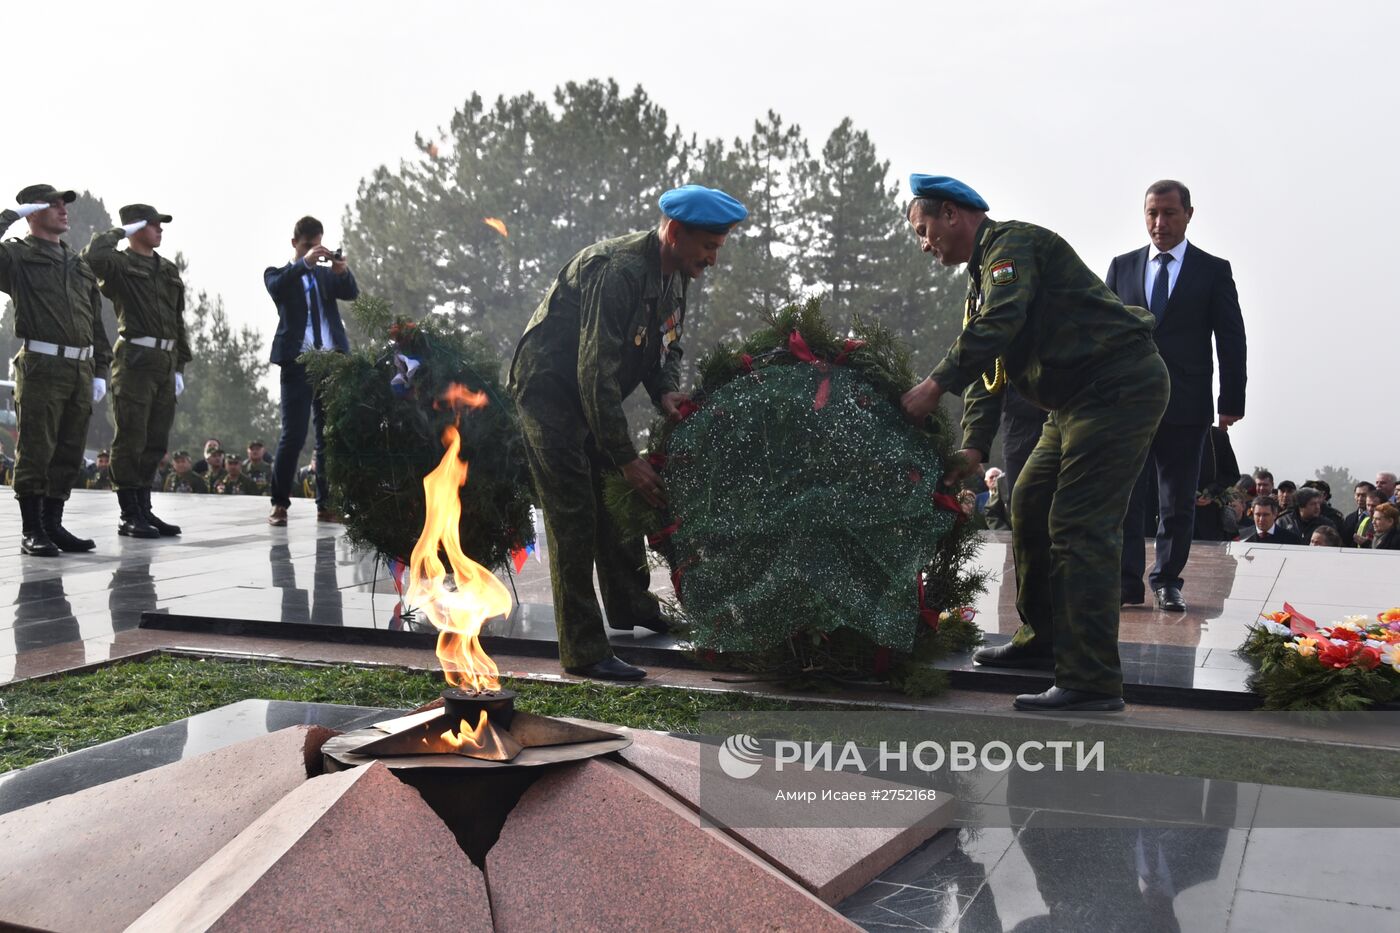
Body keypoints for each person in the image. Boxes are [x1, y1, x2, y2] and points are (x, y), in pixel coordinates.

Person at [900, 174, 1168, 712]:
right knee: (1030, 502)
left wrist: (933, 385)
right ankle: (1043, 640)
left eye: (925, 229)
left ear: (952, 214)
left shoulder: (1011, 247)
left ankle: (1091, 680)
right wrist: (974, 449)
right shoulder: (978, 284)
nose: (925, 243)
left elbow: (1000, 324)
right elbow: (989, 369)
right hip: (1069, 403)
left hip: (1115, 385)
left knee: (1079, 525)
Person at [509, 184, 747, 682]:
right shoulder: (616, 271)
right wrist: (625, 456)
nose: (714, 260)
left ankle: (633, 606)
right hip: (550, 392)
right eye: (709, 246)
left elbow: (667, 346)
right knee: (574, 511)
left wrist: (664, 392)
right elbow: (593, 370)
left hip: (594, 396)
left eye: (718, 248)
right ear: (675, 233)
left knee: (617, 501)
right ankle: (583, 649)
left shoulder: (675, 275)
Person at [1111, 180, 1247, 612]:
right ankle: (1126, 583)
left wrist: (1231, 400)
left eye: (1169, 213)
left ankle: (1167, 579)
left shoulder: (1212, 270)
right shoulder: (1122, 267)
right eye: (1152, 213)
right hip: (1128, 405)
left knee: (1177, 501)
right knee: (1127, 500)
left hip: (1186, 403)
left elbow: (1231, 338)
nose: (1159, 222)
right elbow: (1103, 335)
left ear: (1189, 214)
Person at [0, 185, 114, 556]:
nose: (63, 209)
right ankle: (32, 529)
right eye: (53, 204)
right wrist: (11, 216)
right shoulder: (17, 256)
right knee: (36, 449)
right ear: (33, 212)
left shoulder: (77, 264)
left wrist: (100, 369)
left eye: (65, 203)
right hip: (42, 365)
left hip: (80, 369)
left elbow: (94, 321)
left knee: (68, 451)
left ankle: (53, 524)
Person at [83, 204, 189, 539]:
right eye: (154, 224)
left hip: (165, 362)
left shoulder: (168, 269)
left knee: (155, 440)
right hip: (135, 361)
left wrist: (180, 365)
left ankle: (144, 509)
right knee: (131, 438)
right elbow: (92, 256)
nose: (161, 229)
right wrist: (121, 231)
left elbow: (178, 320)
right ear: (136, 227)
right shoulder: (119, 264)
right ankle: (129, 513)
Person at [264, 215, 356, 526]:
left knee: (328, 437)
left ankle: (326, 504)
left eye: (319, 246)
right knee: (293, 435)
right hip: (299, 361)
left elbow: (351, 293)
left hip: (331, 361)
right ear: (295, 244)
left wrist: (342, 270)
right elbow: (276, 287)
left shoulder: (325, 277)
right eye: (308, 246)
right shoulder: (281, 274)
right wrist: (303, 263)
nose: (316, 252)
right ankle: (279, 504)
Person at [1342, 481, 1375, 548]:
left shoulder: (1377, 518)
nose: (1360, 498)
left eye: (1363, 495)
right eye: (1358, 495)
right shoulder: (1349, 518)